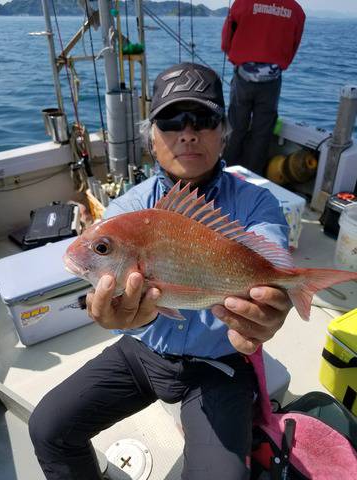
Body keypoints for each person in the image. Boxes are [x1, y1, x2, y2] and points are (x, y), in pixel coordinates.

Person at [29, 62, 292, 480]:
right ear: (151, 139)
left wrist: (273, 304)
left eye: (203, 119)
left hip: (220, 364)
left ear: (224, 131)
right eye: (170, 121)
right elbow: (111, 280)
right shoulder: (128, 212)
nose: (187, 132)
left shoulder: (257, 204)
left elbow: (273, 261)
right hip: (144, 351)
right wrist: (114, 316)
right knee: (48, 428)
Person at [221, 0, 305, 175]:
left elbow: (227, 34)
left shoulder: (242, 3)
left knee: (236, 126)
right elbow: (294, 43)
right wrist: (282, 63)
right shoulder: (296, 10)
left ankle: (225, 171)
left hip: (244, 73)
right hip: (272, 77)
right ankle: (252, 176)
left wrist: (232, 54)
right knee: (262, 131)